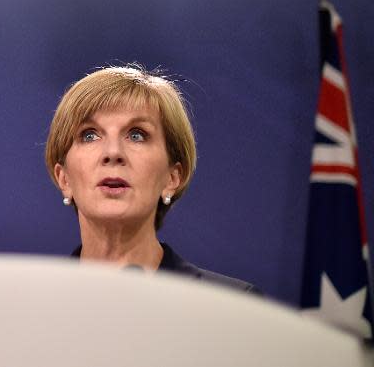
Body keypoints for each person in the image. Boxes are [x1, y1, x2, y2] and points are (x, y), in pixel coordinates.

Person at [45, 65, 258, 293]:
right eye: (90, 135)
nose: (113, 152)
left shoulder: (230, 306)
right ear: (64, 179)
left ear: (172, 177)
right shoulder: (31, 304)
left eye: (137, 135)